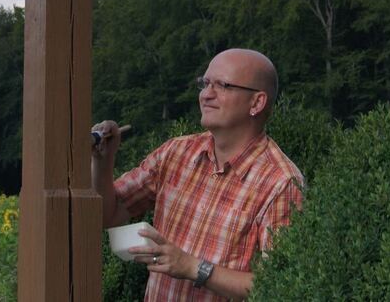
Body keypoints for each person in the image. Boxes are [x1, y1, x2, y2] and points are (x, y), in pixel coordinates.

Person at [91, 48, 304, 301]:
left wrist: (193, 267)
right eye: (204, 84)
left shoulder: (281, 182)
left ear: (257, 103)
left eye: (222, 85)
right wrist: (103, 162)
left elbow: (279, 284)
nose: (206, 94)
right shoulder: (176, 153)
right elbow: (107, 215)